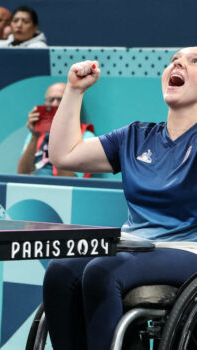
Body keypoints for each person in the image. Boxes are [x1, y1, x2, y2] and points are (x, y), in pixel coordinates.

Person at [43, 49, 197, 350]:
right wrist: (74, 91)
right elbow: (63, 155)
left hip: (187, 249)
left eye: (195, 61)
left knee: (102, 271)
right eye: (174, 59)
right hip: (132, 244)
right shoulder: (136, 137)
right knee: (61, 271)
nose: (178, 63)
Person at [17, 82, 94, 177]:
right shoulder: (35, 134)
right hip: (34, 187)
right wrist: (34, 136)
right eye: (51, 100)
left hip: (63, 190)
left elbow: (71, 181)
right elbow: (22, 174)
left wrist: (58, 134)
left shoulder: (86, 137)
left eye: (60, 100)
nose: (55, 104)